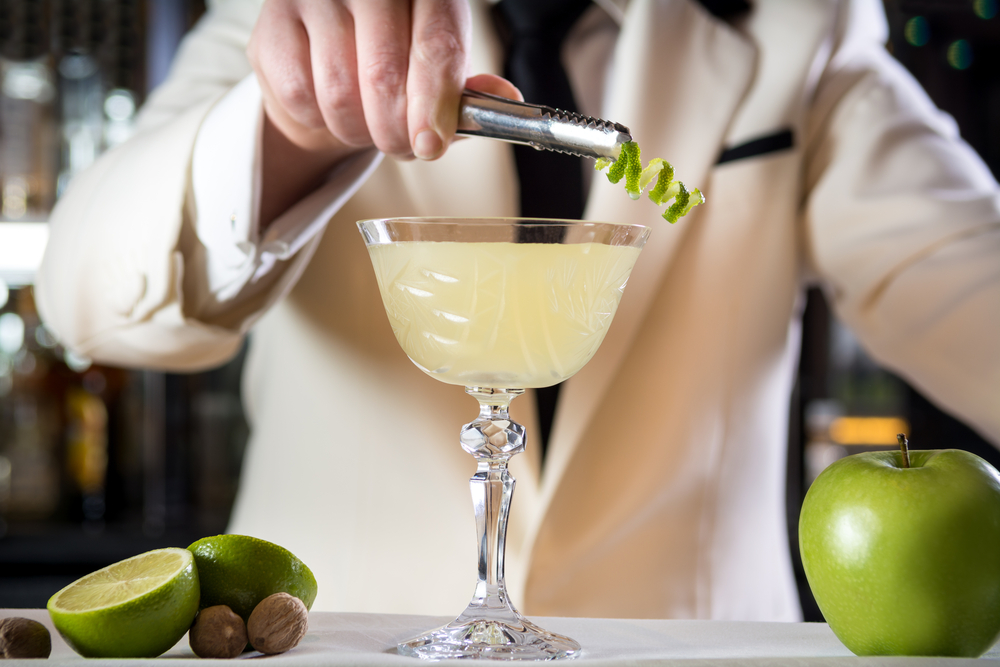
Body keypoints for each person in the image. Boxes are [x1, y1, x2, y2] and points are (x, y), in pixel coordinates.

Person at [36, 0, 999, 622]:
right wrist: (289, 124)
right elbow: (83, 298)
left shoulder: (803, 27)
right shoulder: (294, 12)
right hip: (341, 640)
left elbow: (971, 289)